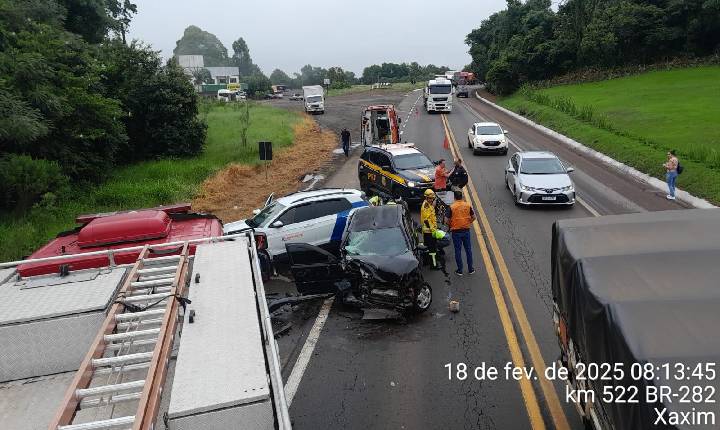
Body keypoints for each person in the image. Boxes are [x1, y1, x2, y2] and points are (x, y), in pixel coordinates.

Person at [446, 191, 475, 276]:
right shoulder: (467, 205)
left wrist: (451, 225)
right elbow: (473, 217)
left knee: (458, 251)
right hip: (466, 231)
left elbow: (446, 220)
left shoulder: (452, 207)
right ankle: (471, 269)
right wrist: (467, 222)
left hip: (456, 232)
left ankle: (460, 270)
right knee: (468, 250)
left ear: (454, 198)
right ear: (462, 197)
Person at [420, 189, 440, 269]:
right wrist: (433, 230)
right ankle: (434, 265)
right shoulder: (426, 206)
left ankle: (427, 262)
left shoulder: (428, 204)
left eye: (432, 198)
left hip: (428, 231)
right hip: (429, 232)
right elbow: (426, 220)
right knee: (432, 249)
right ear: (426, 198)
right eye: (430, 198)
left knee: (428, 247)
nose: (431, 199)